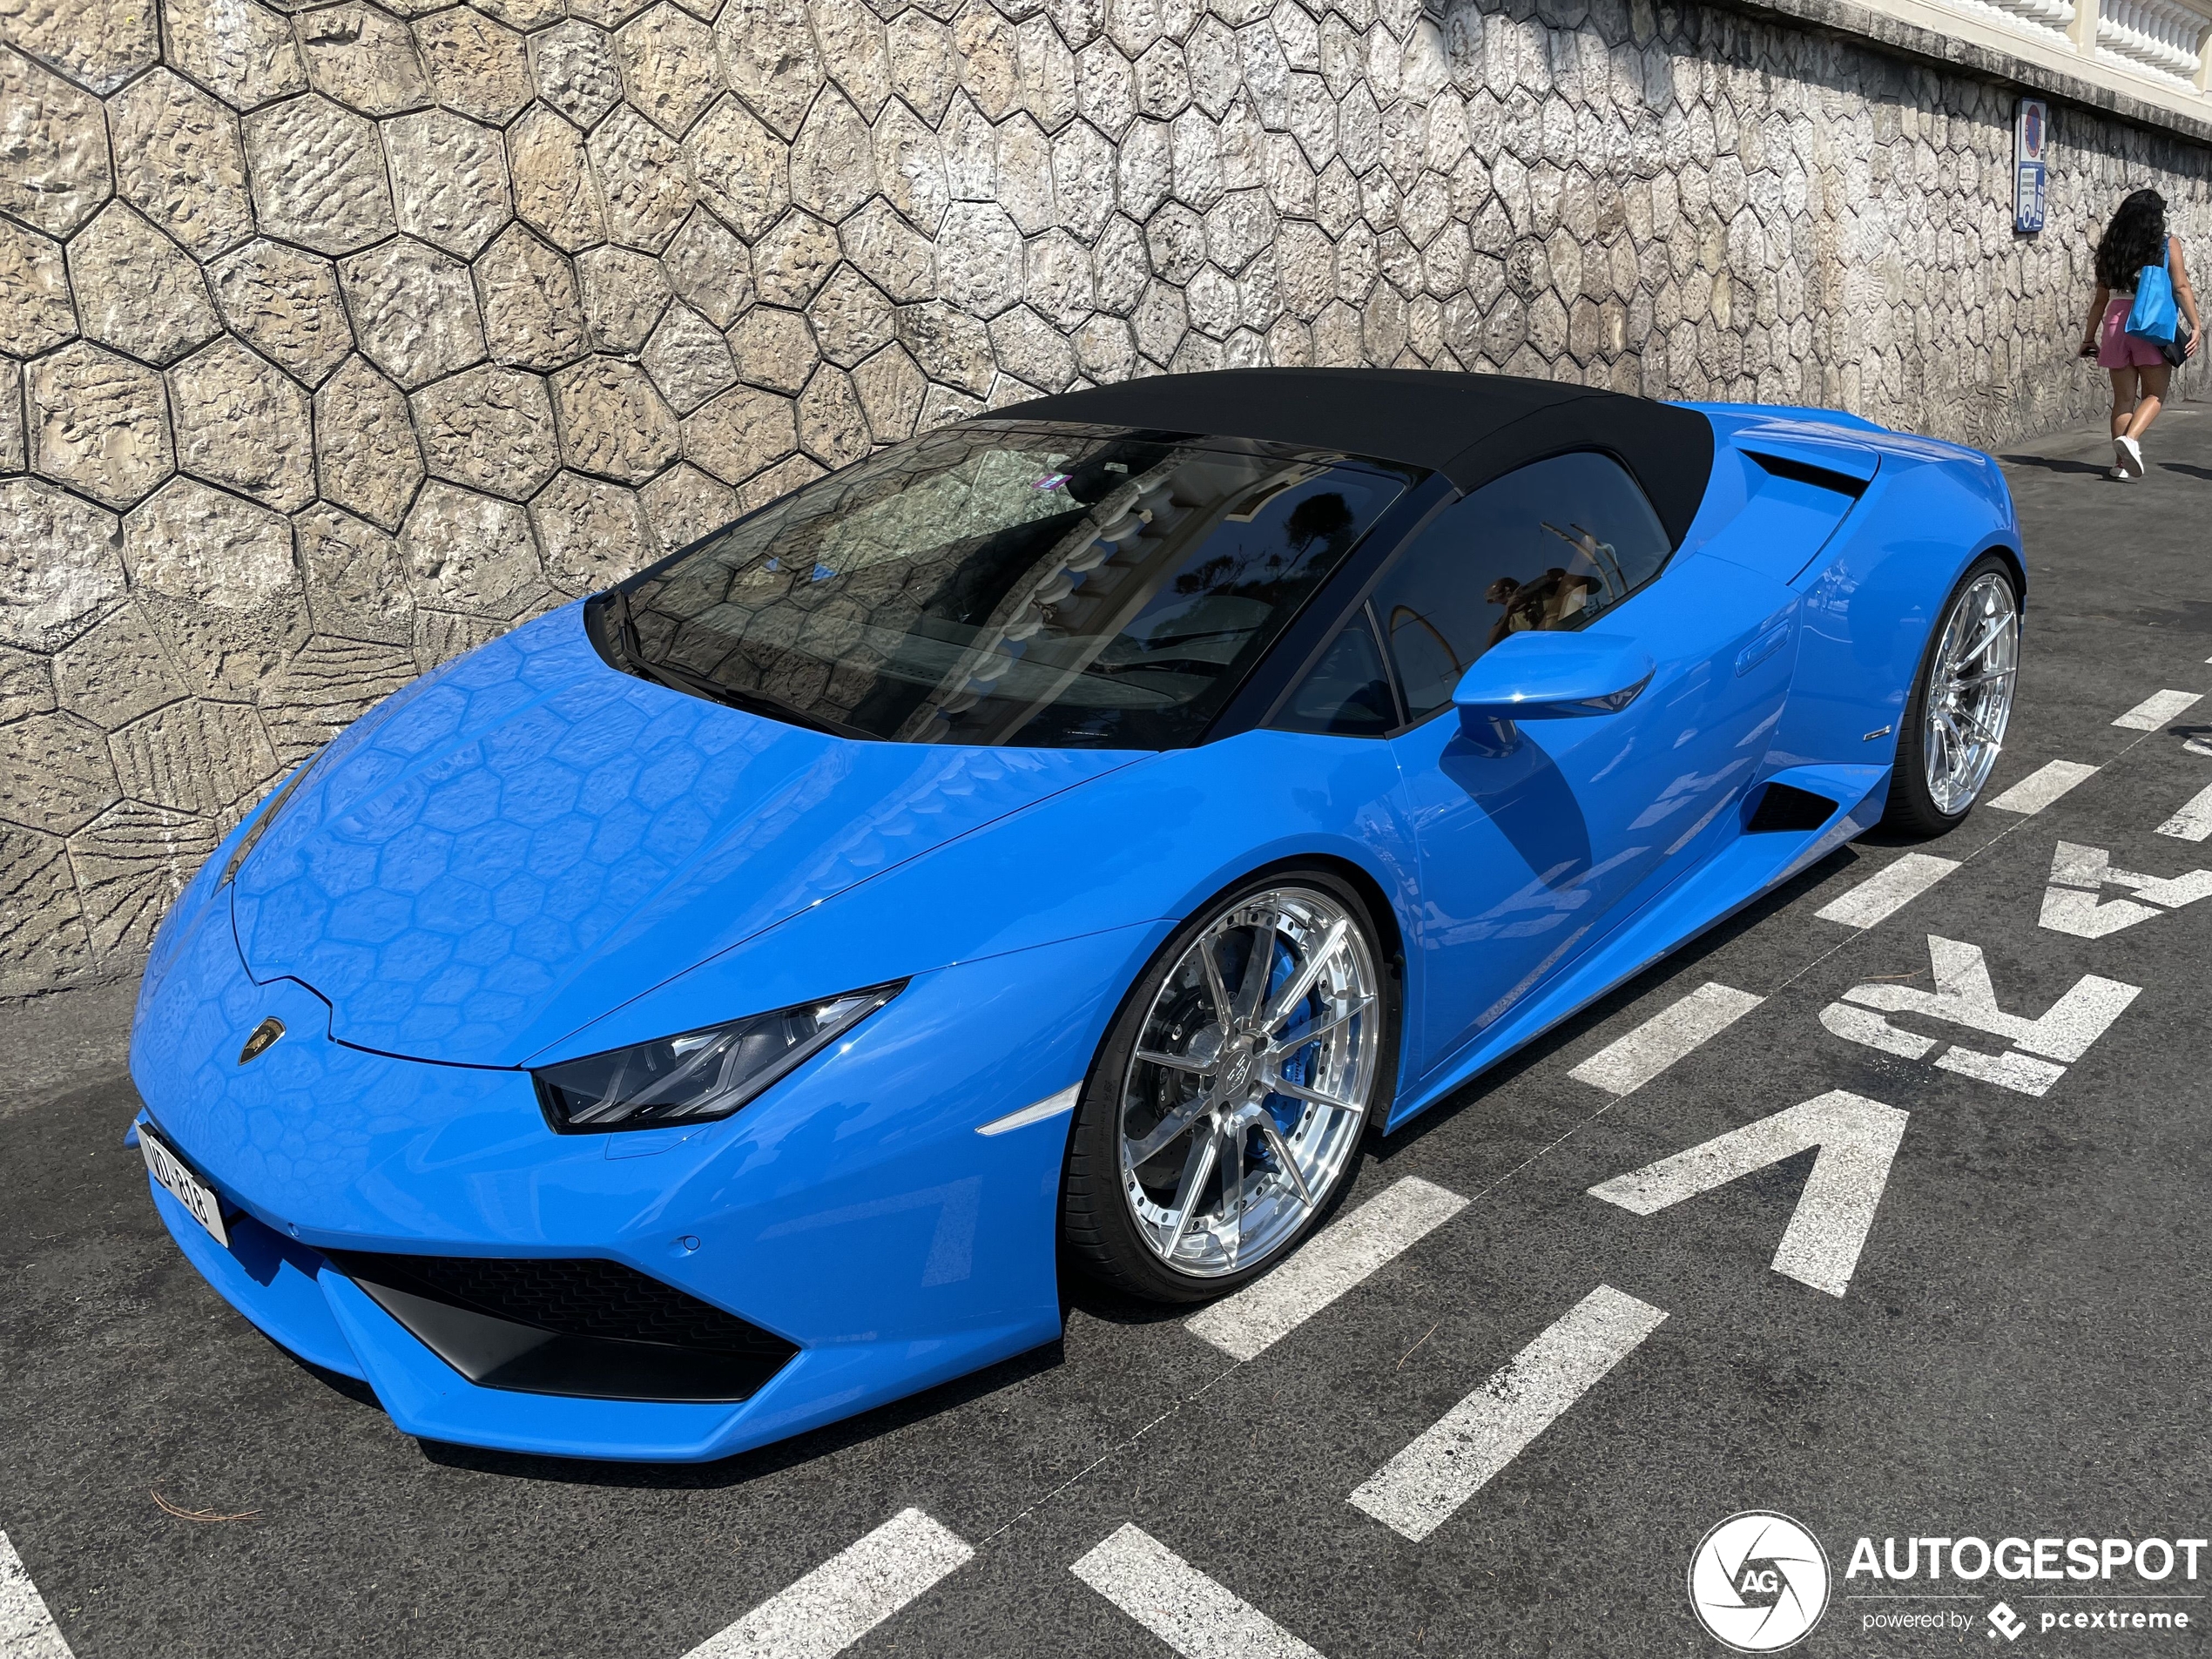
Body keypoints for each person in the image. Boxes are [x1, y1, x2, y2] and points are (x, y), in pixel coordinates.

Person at [2080, 188, 2201, 481]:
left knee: (2123, 399)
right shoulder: (2164, 244)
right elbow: (2181, 286)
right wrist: (2195, 325)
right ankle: (2131, 439)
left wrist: (2088, 337)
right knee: (2154, 395)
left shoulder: (2112, 246)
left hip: (2116, 321)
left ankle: (2120, 464)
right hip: (2151, 323)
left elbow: (2100, 299)